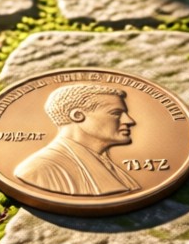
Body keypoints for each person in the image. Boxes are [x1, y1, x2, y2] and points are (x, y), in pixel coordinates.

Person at [14, 84, 142, 196]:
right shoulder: (39, 169)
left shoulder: (106, 162)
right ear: (78, 116)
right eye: (116, 113)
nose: (130, 121)